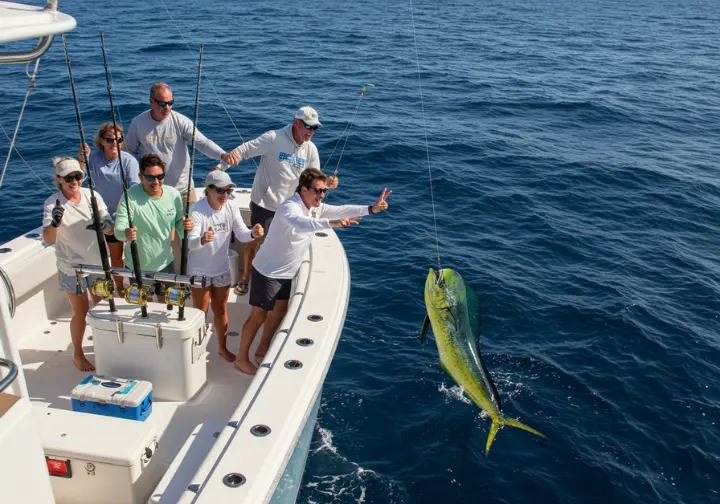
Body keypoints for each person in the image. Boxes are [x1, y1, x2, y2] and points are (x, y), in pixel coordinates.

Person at [234, 167, 391, 375]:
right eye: (318, 191)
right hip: (269, 272)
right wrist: (333, 224)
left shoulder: (313, 206)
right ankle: (241, 359)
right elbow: (303, 224)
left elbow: (341, 209)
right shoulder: (290, 207)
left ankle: (263, 347)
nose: (322, 195)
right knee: (258, 316)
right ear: (303, 190)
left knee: (280, 311)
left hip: (288, 271)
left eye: (324, 191)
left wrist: (371, 209)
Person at [222, 106, 338, 296]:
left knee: (282, 245)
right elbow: (244, 150)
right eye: (308, 127)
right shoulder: (273, 138)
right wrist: (221, 167)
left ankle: (275, 281)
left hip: (292, 208)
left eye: (314, 128)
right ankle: (246, 277)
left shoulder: (311, 150)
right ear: (297, 123)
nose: (311, 132)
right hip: (265, 204)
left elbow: (315, 178)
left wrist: (328, 183)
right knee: (256, 239)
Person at [42, 157, 114, 371]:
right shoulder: (52, 203)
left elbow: (109, 228)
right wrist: (55, 222)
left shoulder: (93, 196)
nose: (74, 181)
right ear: (59, 180)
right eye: (68, 178)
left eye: (78, 176)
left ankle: (104, 346)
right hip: (71, 268)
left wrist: (106, 225)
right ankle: (78, 353)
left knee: (101, 308)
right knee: (80, 312)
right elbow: (48, 238)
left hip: (98, 264)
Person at [187, 171, 264, 362]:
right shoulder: (197, 210)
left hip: (221, 269)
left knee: (221, 310)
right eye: (220, 190)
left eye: (228, 190)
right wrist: (202, 240)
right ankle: (196, 350)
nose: (225, 194)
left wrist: (253, 234)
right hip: (199, 272)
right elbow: (191, 243)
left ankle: (222, 347)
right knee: (200, 313)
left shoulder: (230, 206)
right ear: (209, 190)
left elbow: (242, 234)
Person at [124, 82, 239, 202]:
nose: (167, 107)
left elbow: (202, 143)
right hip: (152, 189)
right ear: (151, 101)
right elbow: (129, 152)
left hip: (183, 190)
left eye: (170, 103)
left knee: (189, 221)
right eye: (162, 103)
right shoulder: (138, 122)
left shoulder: (182, 121)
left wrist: (222, 155)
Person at [113, 154, 193, 302]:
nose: (156, 181)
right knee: (144, 309)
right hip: (137, 266)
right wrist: (126, 233)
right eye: (150, 177)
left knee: (167, 305)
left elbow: (179, 227)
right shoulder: (129, 197)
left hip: (166, 263)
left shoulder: (173, 194)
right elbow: (118, 231)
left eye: (160, 176)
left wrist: (186, 227)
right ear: (140, 176)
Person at [78, 123, 140, 296]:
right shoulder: (93, 158)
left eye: (119, 140)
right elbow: (79, 180)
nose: (115, 143)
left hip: (121, 216)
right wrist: (82, 162)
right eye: (110, 140)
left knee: (120, 254)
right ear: (102, 141)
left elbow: (134, 188)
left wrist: (122, 219)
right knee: (108, 254)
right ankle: (114, 287)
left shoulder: (129, 161)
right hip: (100, 216)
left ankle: (123, 286)